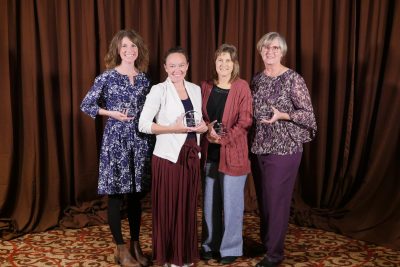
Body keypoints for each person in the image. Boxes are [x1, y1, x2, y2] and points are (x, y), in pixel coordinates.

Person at [80, 29, 153, 267]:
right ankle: (120, 249)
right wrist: (111, 113)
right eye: (124, 46)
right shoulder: (107, 77)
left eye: (133, 46)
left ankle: (135, 244)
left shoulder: (144, 79)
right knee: (115, 195)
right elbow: (87, 104)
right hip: (116, 140)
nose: (129, 50)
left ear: (138, 50)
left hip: (140, 140)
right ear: (117, 50)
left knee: (135, 196)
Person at [250, 32, 317, 267]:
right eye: (266, 48)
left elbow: (308, 115)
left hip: (285, 148)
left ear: (282, 52)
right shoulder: (257, 80)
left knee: (277, 200)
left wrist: (283, 115)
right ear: (260, 51)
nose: (270, 51)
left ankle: (275, 254)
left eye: (275, 48)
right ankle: (268, 242)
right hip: (260, 147)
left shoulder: (293, 79)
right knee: (265, 199)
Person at [138, 47, 208, 267]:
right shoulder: (158, 90)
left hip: (191, 156)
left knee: (187, 207)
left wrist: (204, 127)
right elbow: (144, 125)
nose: (177, 70)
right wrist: (172, 128)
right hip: (168, 158)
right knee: (169, 208)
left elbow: (198, 121)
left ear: (187, 66)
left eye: (181, 65)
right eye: (172, 65)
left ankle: (183, 256)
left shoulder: (195, 89)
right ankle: (168, 257)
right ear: (165, 67)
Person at [199, 44, 253, 265]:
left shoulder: (241, 87)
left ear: (234, 64)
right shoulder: (205, 86)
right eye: (220, 60)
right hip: (209, 153)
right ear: (215, 63)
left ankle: (230, 248)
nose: (224, 64)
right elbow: (198, 115)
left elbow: (246, 120)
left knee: (231, 205)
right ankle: (210, 245)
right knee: (210, 204)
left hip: (233, 153)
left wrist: (222, 138)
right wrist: (207, 129)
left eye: (228, 60)